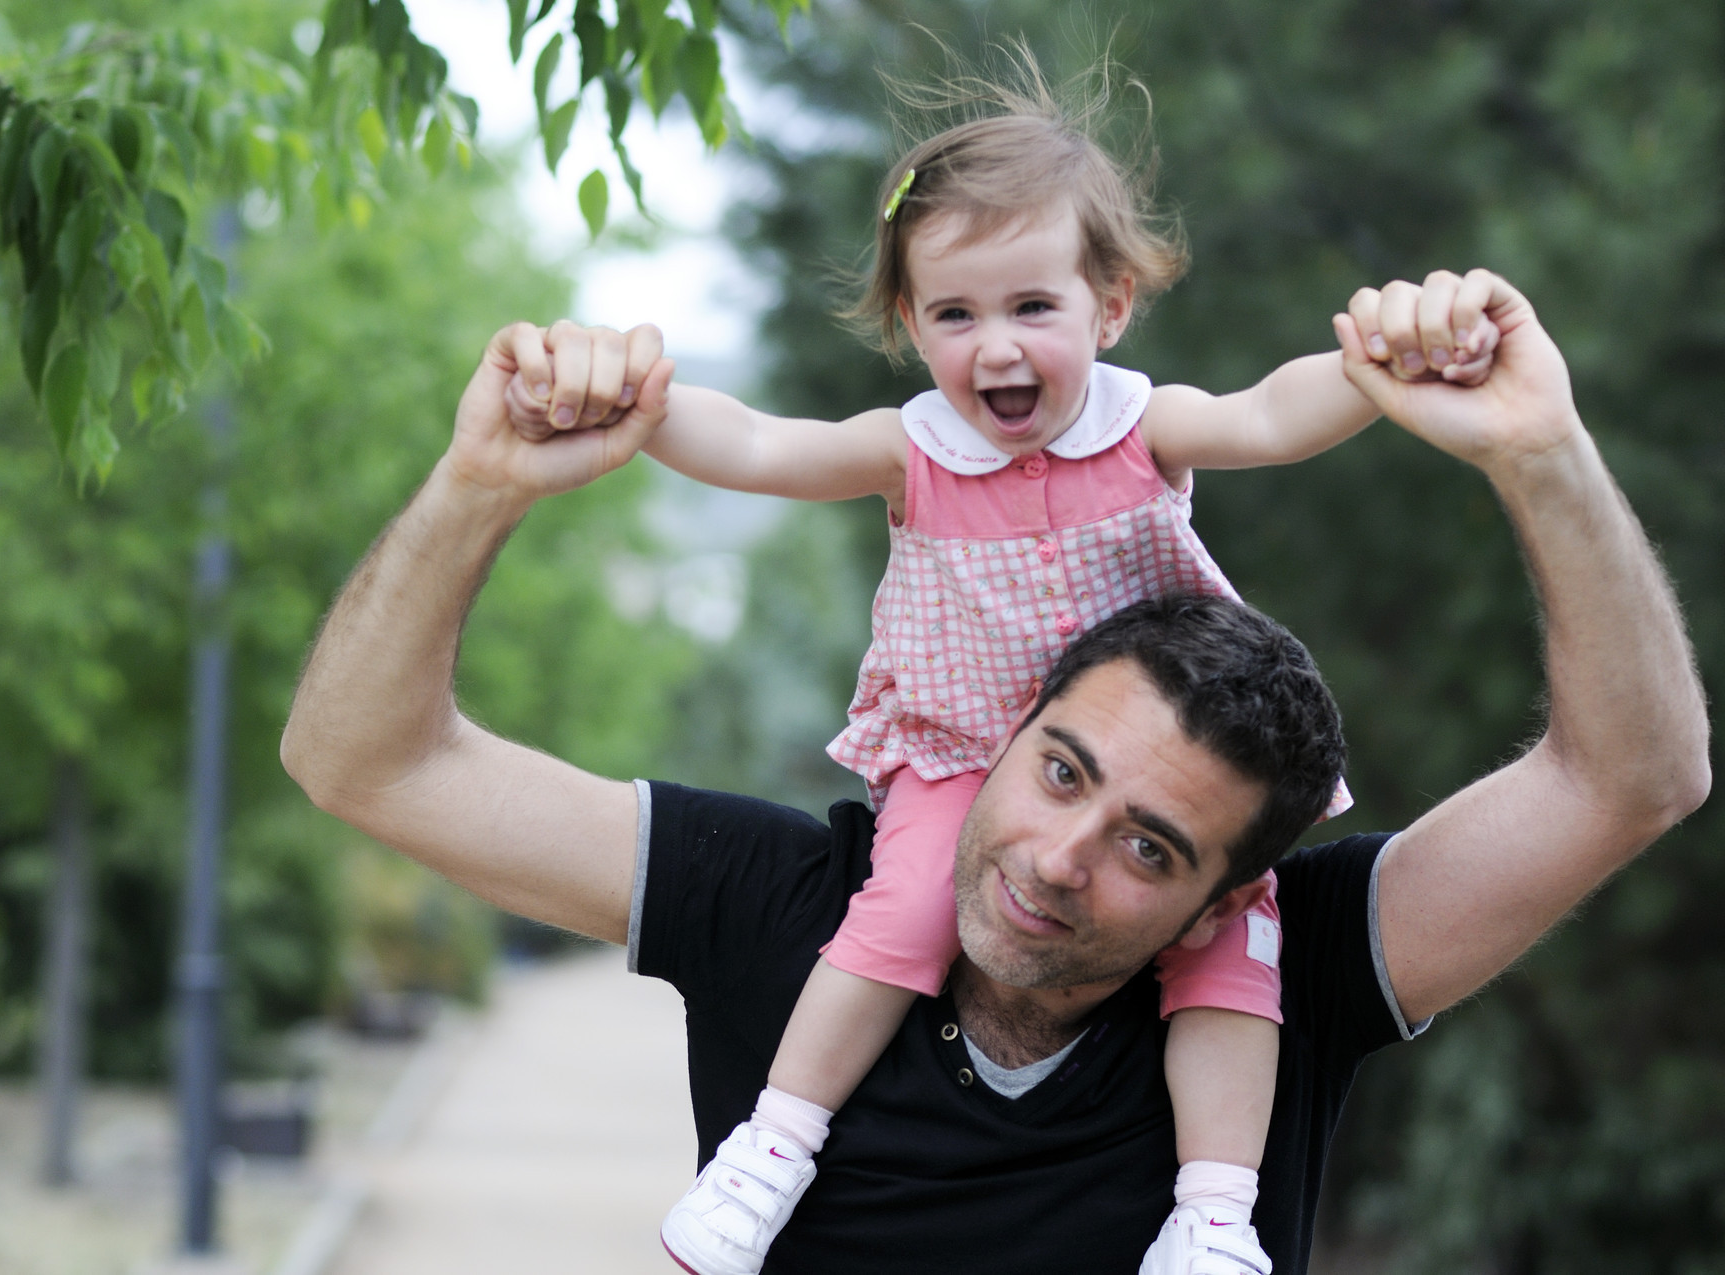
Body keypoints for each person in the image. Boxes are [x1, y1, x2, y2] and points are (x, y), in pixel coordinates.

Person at [279, 267, 1707, 1275]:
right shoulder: (784, 897)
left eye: (1153, 846)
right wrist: (481, 485)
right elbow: (362, 758)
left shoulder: (1299, 961)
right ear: (1008, 725)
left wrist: (1543, 454)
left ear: (1224, 901)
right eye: (1063, 767)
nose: (1058, 853)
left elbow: (1631, 774)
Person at [502, 93, 1497, 1275]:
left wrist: (1387, 362)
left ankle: (1216, 1212)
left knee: (1236, 947)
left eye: (1034, 305)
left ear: (1110, 306)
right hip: (970, 753)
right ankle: (774, 1147)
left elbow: (1273, 415)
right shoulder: (913, 450)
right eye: (955, 314)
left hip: (1139, 759)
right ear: (914, 328)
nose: (998, 345)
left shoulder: (1144, 428)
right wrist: (636, 402)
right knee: (908, 904)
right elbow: (761, 446)